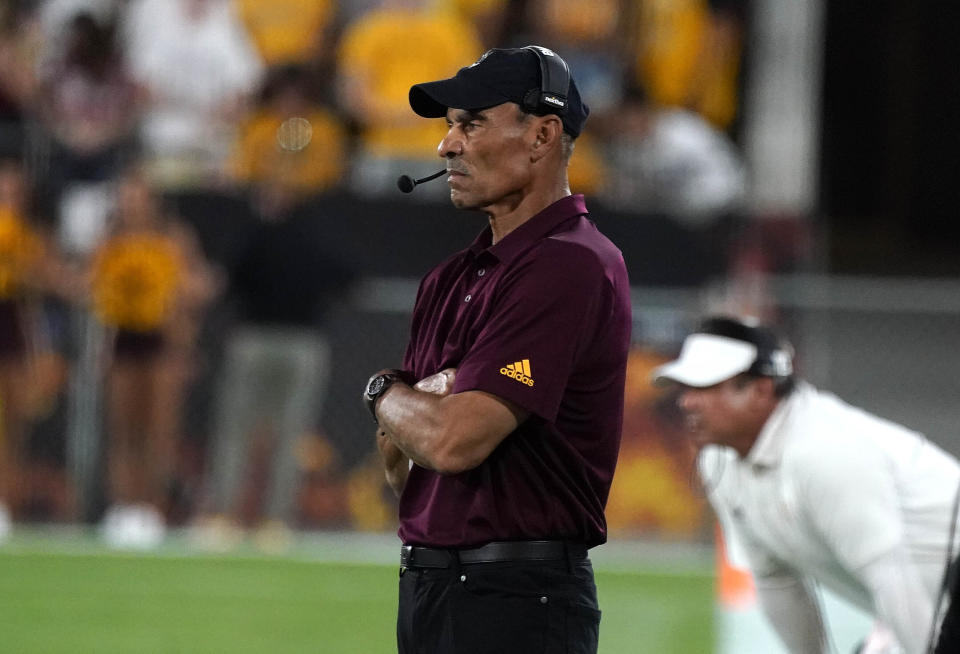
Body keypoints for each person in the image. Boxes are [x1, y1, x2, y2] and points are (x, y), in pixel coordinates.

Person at [362, 46, 632, 654]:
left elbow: (449, 442)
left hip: (517, 599)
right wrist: (412, 403)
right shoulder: (448, 279)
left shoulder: (570, 265)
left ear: (541, 134)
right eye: (449, 125)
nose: (446, 146)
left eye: (471, 122)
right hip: (430, 588)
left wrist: (383, 391)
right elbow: (398, 465)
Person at [651, 315, 960, 653]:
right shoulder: (719, 460)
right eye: (686, 387)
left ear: (761, 390)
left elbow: (894, 578)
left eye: (705, 386)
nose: (687, 402)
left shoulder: (821, 451)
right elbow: (776, 580)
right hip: (928, 600)